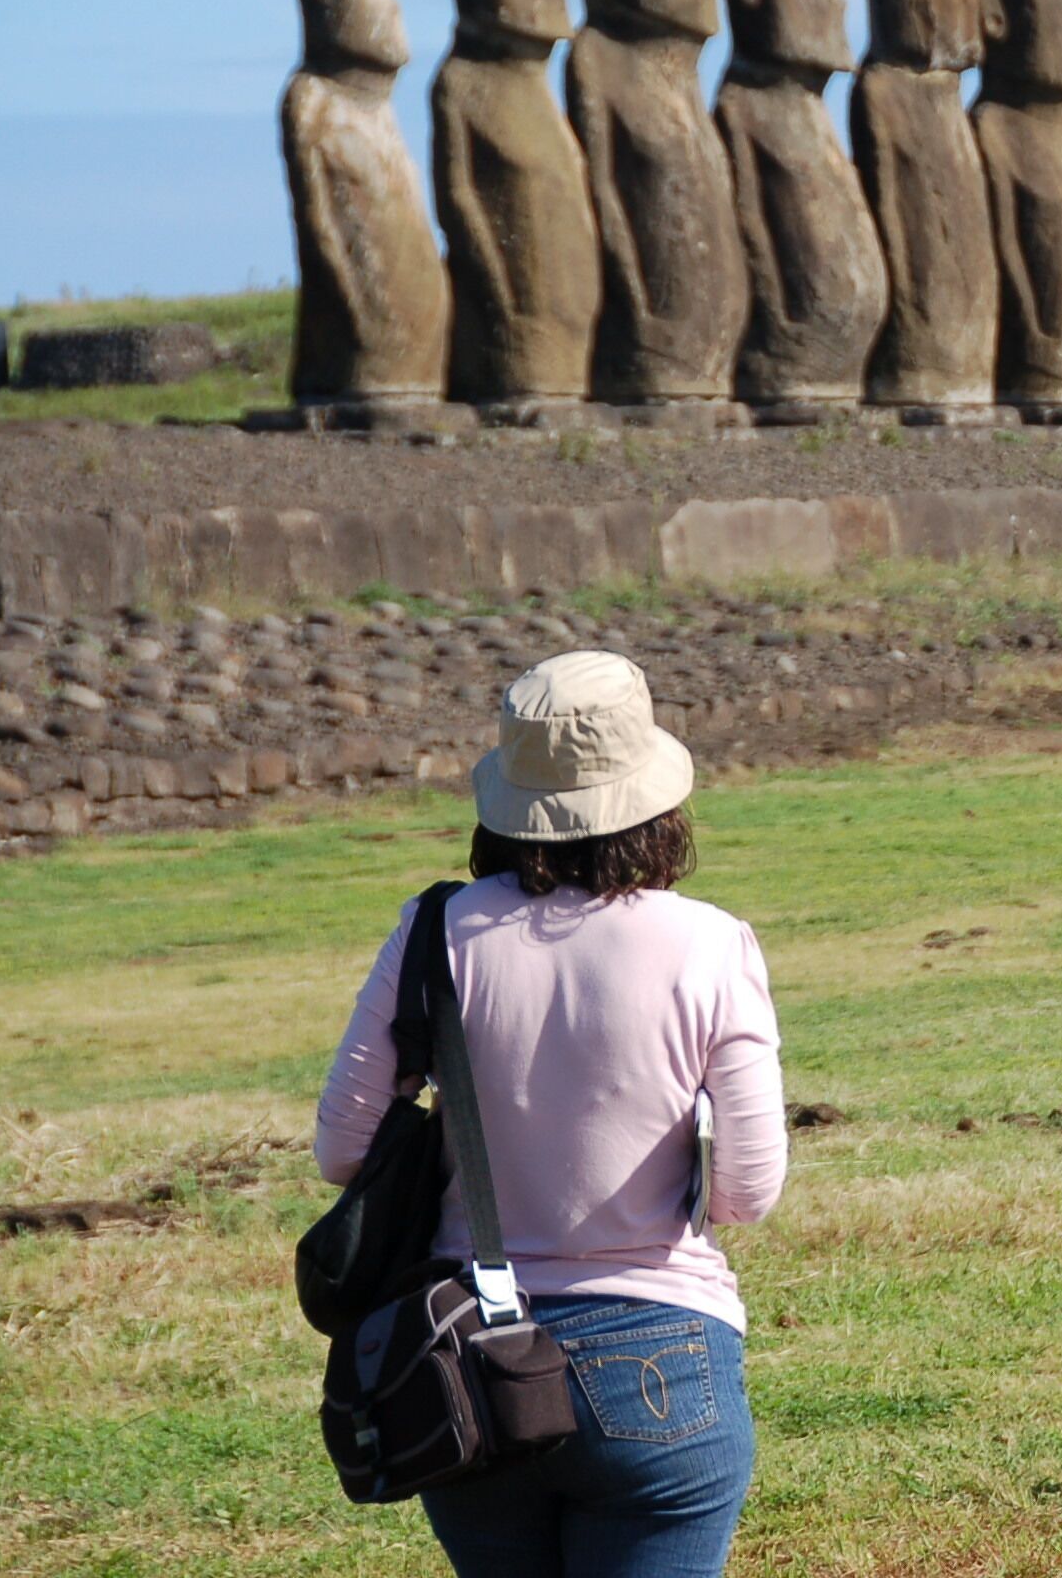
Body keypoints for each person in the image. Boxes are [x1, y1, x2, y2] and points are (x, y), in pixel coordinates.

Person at [316, 650, 786, 1578]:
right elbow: (746, 1193)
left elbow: (343, 1151)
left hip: (470, 1363)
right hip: (662, 1353)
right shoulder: (710, 942)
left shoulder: (433, 932)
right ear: (657, 801)